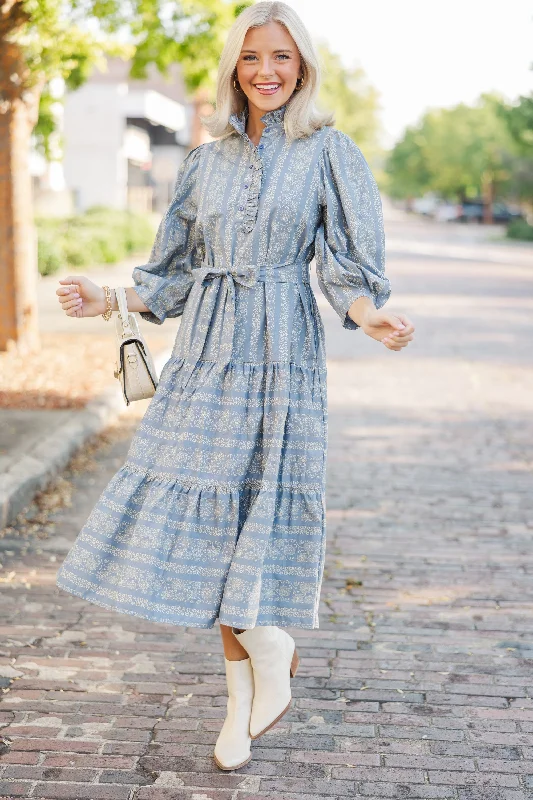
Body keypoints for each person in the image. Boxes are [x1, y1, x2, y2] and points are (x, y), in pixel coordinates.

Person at [55, 0, 415, 772]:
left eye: (281, 57)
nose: (266, 72)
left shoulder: (329, 151)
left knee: (254, 507)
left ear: (303, 66)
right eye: (251, 58)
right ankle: (260, 661)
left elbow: (343, 264)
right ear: (232, 69)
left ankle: (242, 706)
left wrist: (368, 314)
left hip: (281, 347)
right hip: (207, 346)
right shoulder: (204, 160)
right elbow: (174, 272)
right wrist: (109, 299)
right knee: (210, 517)